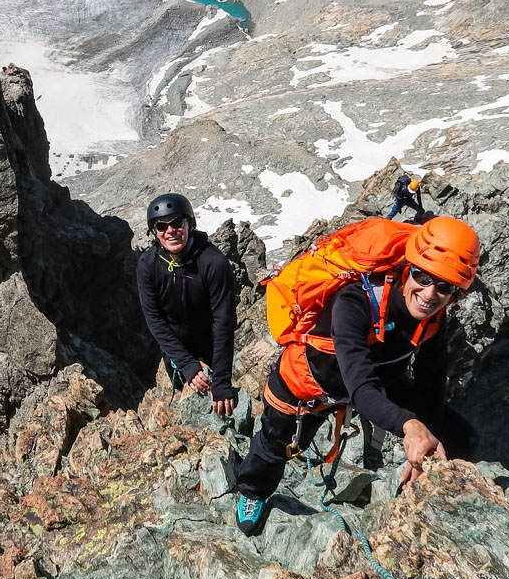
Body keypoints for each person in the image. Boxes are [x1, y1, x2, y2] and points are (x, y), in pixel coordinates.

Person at [232, 215, 481, 535]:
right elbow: (361, 389)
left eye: (445, 287)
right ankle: (252, 492)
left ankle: (435, 502)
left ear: (455, 294)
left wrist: (425, 446)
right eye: (422, 276)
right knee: (275, 445)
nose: (430, 294)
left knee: (462, 438)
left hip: (375, 379)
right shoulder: (355, 301)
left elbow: (430, 382)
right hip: (309, 384)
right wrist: (410, 425)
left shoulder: (433, 316)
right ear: (408, 267)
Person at [136, 193, 238, 417]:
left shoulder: (213, 263)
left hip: (211, 347)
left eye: (176, 223)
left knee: (219, 408)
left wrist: (221, 381)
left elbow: (224, 322)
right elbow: (154, 319)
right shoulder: (148, 265)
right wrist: (186, 364)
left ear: (189, 223)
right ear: (154, 232)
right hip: (175, 350)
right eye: (161, 226)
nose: (170, 230)